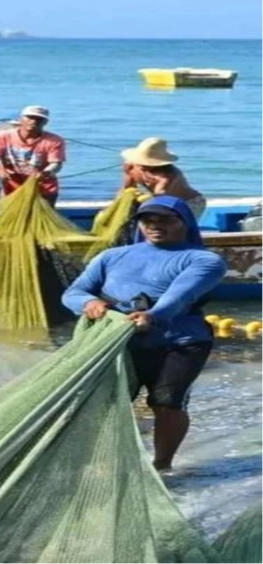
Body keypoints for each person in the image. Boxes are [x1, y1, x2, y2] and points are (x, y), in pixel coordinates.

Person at [62, 196, 226, 471]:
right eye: (148, 219)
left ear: (184, 223)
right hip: (119, 342)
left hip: (180, 342)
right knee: (107, 405)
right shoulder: (112, 256)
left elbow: (179, 297)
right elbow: (73, 293)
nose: (155, 225)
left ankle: (162, 465)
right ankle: (106, 464)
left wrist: (153, 316)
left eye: (165, 219)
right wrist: (89, 303)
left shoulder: (204, 260)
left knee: (166, 403)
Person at [0, 105, 67, 205]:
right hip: (12, 187)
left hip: (43, 189)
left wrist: (46, 173)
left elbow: (56, 164)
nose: (33, 122)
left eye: (39, 119)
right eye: (30, 117)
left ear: (45, 122)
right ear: (20, 119)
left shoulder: (54, 140)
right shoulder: (2, 137)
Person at [121, 137, 206, 218]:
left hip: (189, 202)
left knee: (175, 227)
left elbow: (160, 198)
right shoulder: (130, 166)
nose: (142, 165)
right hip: (161, 200)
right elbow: (127, 189)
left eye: (147, 163)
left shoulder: (168, 175)